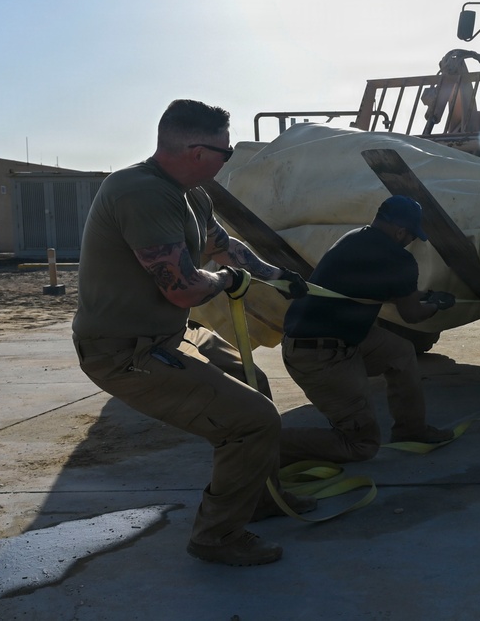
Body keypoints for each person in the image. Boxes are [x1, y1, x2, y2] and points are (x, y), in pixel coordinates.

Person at [72, 99, 314, 567]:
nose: (228, 161)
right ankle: (216, 536)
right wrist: (228, 282)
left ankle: (258, 498)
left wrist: (274, 275)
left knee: (254, 385)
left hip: (161, 339)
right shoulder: (138, 193)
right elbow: (183, 289)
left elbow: (223, 246)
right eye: (225, 153)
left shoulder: (193, 192)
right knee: (252, 421)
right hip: (123, 353)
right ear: (195, 150)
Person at [280, 195, 457, 464]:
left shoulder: (353, 239)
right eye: (411, 236)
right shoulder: (398, 259)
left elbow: (395, 293)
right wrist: (436, 305)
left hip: (320, 340)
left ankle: (412, 430)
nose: (410, 242)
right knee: (360, 445)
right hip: (321, 357)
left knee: (401, 352)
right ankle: (265, 444)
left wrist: (428, 295)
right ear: (400, 231)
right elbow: (411, 315)